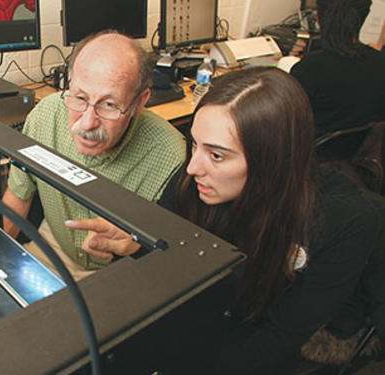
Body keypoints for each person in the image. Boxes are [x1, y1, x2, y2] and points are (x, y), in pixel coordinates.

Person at [66, 67, 385, 374]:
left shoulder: (346, 222)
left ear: (270, 161)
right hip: (204, 319)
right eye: (194, 144)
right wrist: (138, 244)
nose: (192, 167)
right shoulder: (200, 178)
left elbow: (277, 341)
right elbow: (168, 264)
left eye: (216, 155)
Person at [2, 30, 186, 280]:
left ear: (139, 103)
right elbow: (18, 197)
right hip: (52, 245)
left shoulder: (171, 155)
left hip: (119, 272)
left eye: (109, 105)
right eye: (79, 97)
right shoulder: (44, 115)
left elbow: (168, 257)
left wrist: (136, 246)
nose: (87, 123)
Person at [290, 0, 385, 138]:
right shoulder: (380, 63)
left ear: (318, 19)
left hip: (313, 154)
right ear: (365, 17)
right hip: (364, 153)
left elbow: (288, 123)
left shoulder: (308, 69)